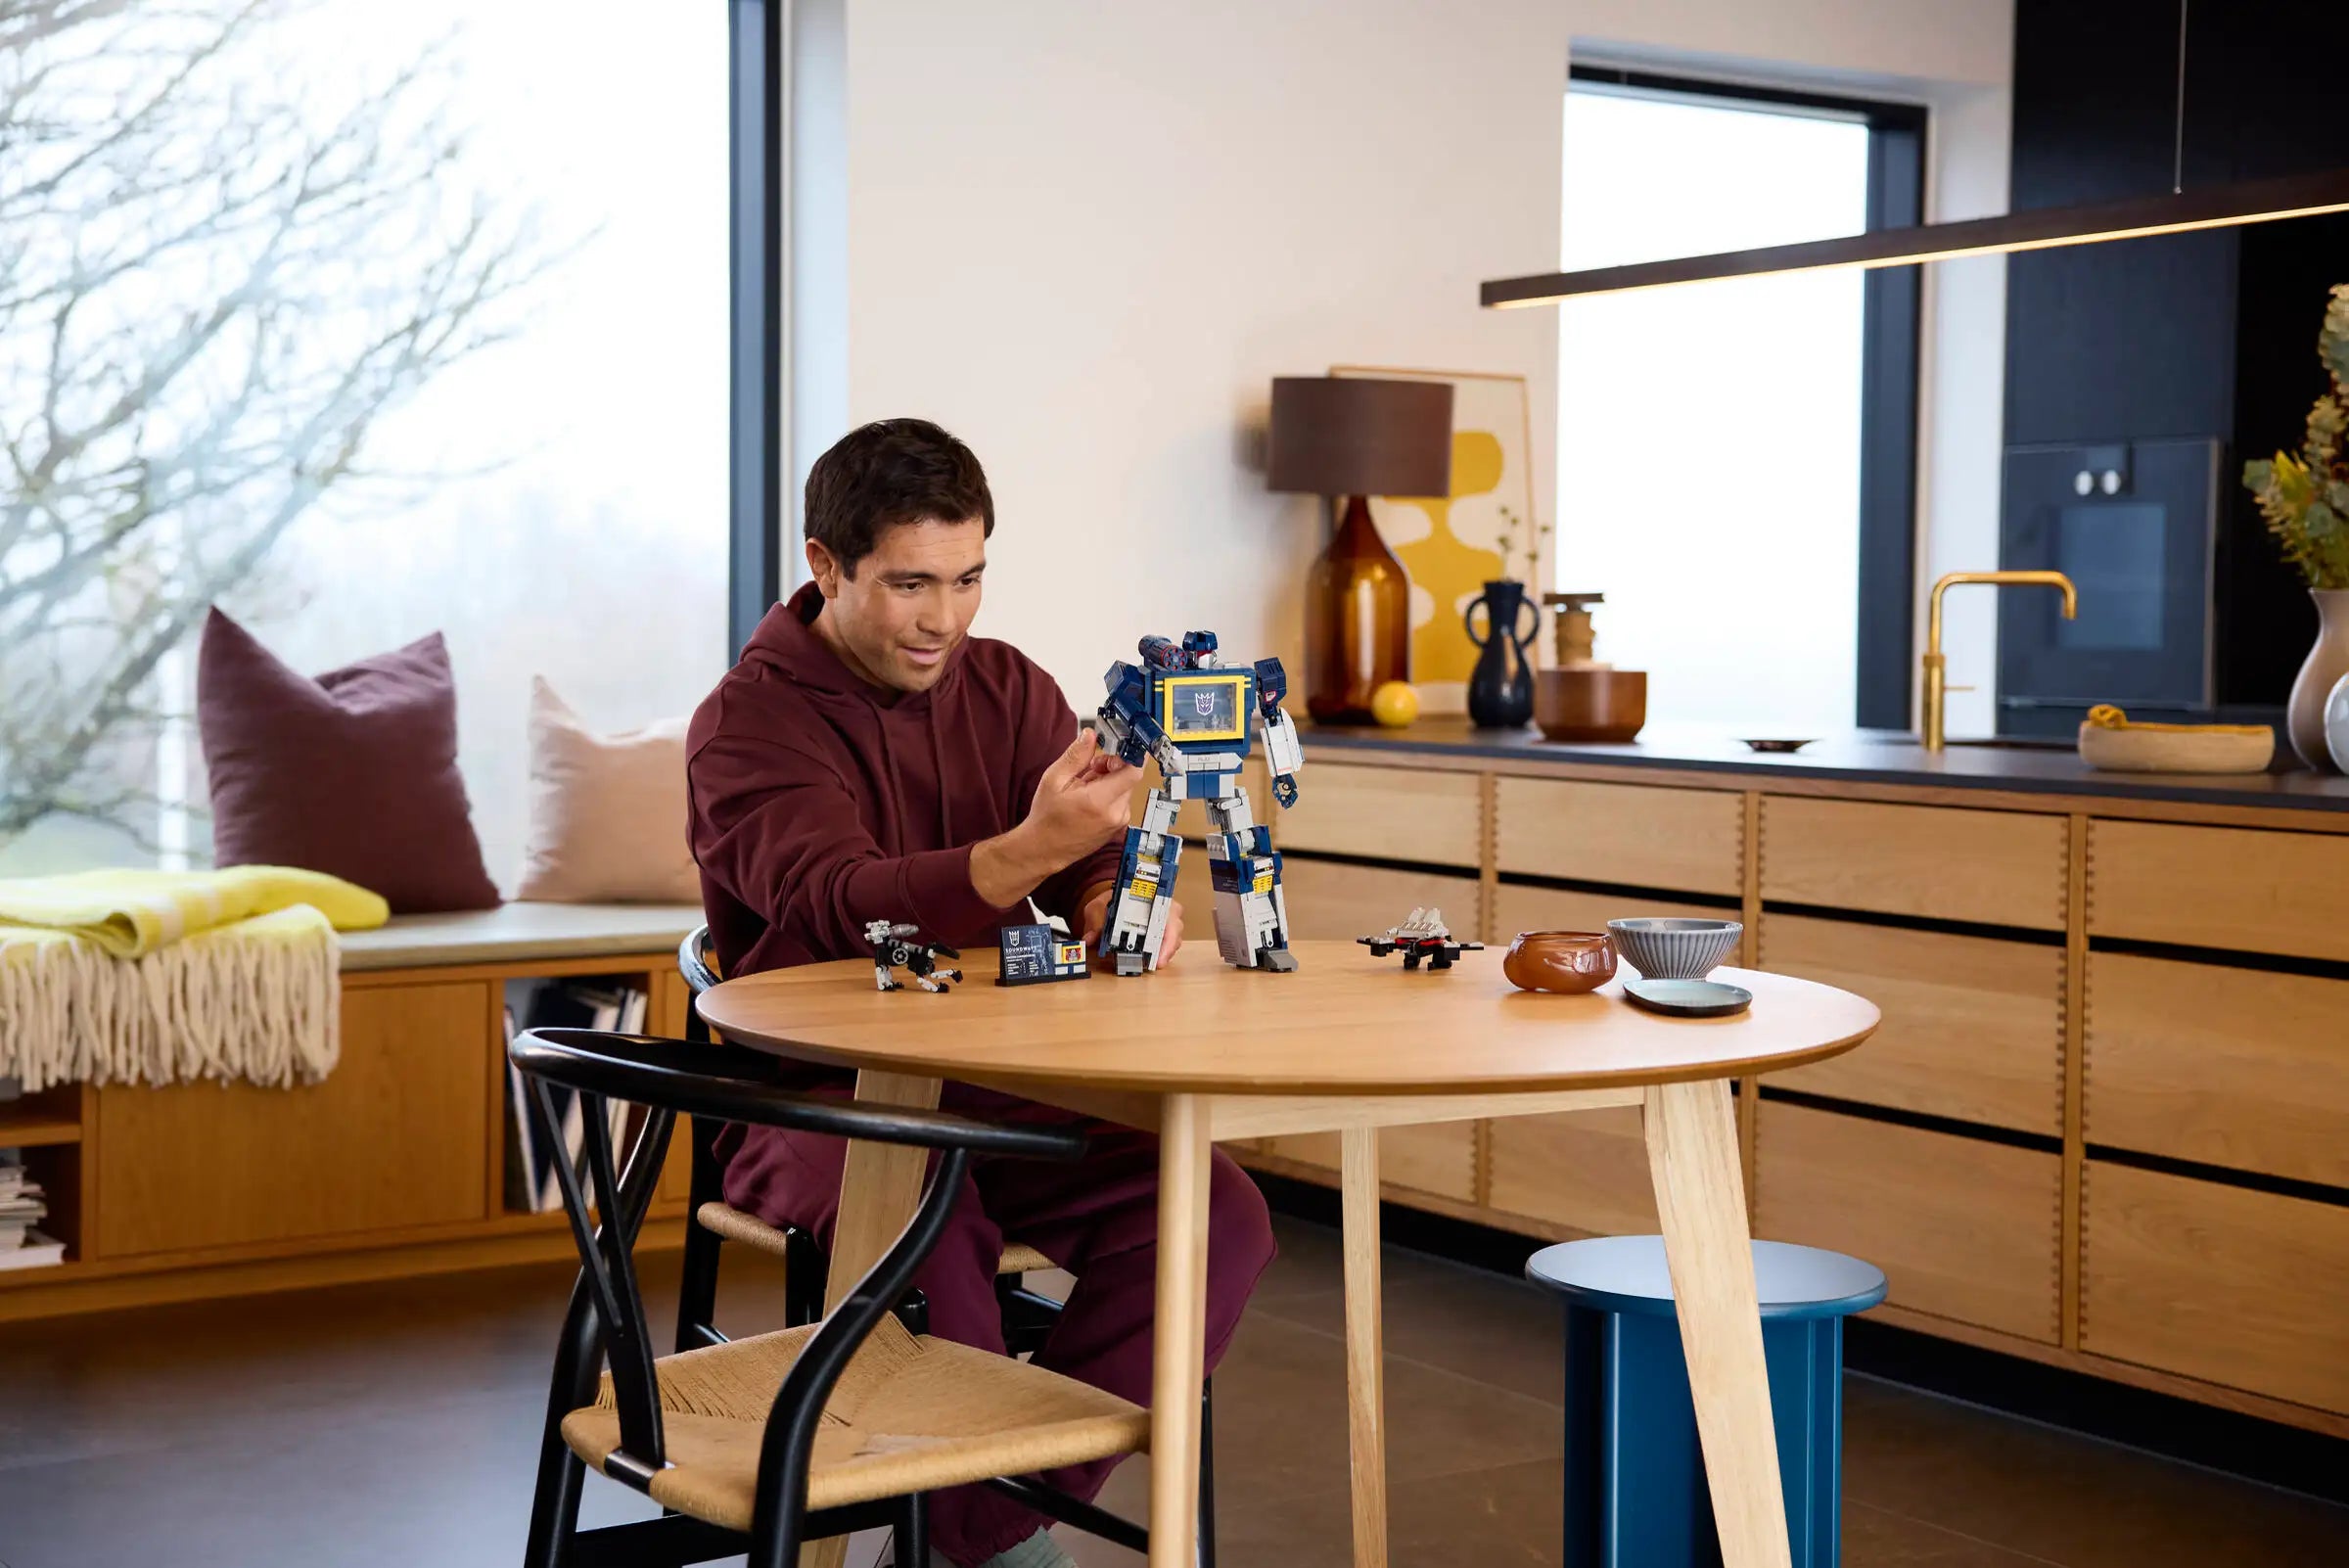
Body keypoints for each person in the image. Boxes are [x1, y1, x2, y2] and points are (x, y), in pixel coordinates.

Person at [686, 418, 1277, 1568]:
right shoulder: (744, 724)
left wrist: (1110, 898)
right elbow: (843, 901)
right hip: (815, 1098)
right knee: (924, 1221)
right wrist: (1022, 852)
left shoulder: (1006, 686)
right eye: (911, 583)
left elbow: (1086, 850)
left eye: (967, 580)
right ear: (825, 565)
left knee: (1219, 1218)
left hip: (1000, 1085)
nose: (945, 619)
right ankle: (987, 1533)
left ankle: (978, 1517)